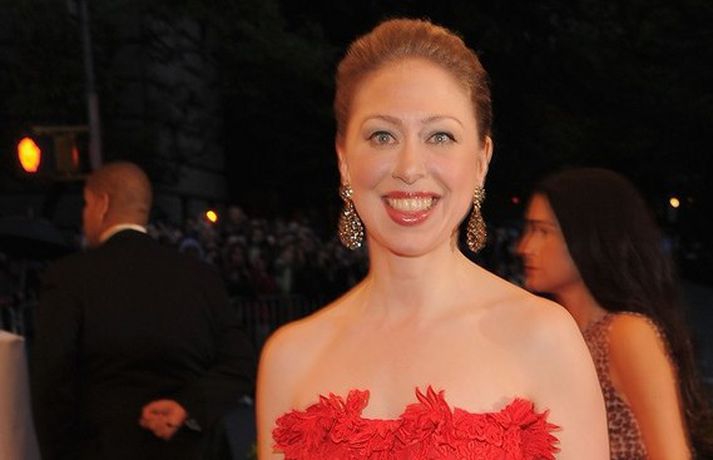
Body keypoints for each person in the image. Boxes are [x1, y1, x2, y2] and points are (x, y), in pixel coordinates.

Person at [256, 18, 609, 459]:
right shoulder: (291, 358)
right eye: (382, 135)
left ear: (481, 160)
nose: (409, 167)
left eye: (440, 136)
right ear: (344, 159)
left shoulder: (544, 337)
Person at [31, 162, 255, 460]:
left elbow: (51, 382)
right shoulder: (200, 277)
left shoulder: (69, 278)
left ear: (102, 204)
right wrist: (188, 407)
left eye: (85, 204)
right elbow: (240, 362)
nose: (83, 216)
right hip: (193, 450)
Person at [517, 167, 713, 459]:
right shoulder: (555, 332)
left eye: (543, 231)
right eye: (529, 229)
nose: (525, 247)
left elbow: (670, 454)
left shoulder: (625, 334)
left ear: (590, 237)